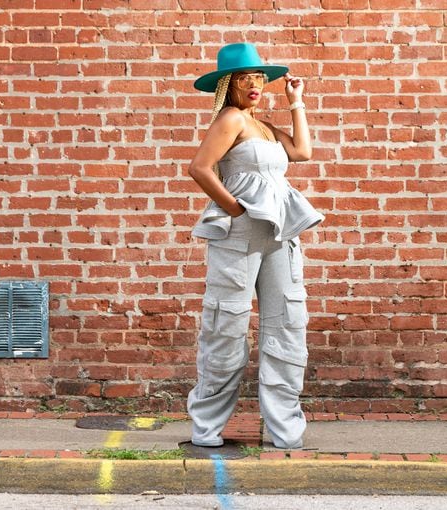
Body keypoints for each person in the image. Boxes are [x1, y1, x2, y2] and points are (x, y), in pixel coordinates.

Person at [186, 43, 324, 449]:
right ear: (229, 84)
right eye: (246, 78)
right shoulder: (230, 119)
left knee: (286, 325)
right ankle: (206, 428)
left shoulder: (261, 124)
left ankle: (285, 431)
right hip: (241, 234)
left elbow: (301, 151)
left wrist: (295, 102)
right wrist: (235, 210)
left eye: (260, 78)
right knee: (226, 326)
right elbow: (199, 168)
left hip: (280, 233)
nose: (255, 85)